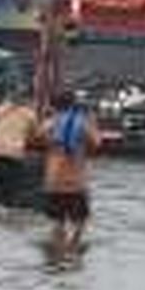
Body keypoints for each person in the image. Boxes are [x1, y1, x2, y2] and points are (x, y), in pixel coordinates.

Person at [42, 90, 101, 253]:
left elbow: (40, 137)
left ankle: (56, 254)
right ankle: (72, 252)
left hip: (53, 182)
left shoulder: (50, 123)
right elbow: (97, 142)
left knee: (57, 222)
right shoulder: (82, 123)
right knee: (79, 222)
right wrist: (92, 121)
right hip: (75, 183)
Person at [0, 91, 39, 208]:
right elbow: (36, 137)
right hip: (14, 156)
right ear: (26, 101)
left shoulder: (0, 110)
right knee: (11, 194)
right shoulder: (30, 115)